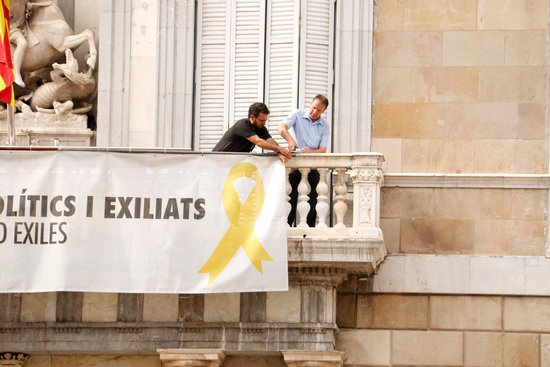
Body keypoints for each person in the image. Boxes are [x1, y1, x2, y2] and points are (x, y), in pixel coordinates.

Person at [277, 94, 330, 227]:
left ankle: (309, 231)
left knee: (312, 202)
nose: (314, 112)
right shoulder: (297, 114)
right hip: (295, 166)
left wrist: (310, 152)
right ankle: (287, 231)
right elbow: (281, 127)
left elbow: (322, 149)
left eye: (319, 110)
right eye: (314, 108)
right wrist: (290, 140)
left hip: (313, 168)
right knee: (291, 199)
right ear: (311, 103)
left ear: (323, 111)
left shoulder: (324, 126)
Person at [213, 102, 292, 163]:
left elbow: (270, 141)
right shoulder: (242, 125)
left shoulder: (261, 128)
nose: (264, 123)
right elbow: (259, 141)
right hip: (218, 160)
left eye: (265, 121)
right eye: (261, 120)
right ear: (252, 117)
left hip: (233, 162)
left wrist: (279, 152)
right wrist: (280, 149)